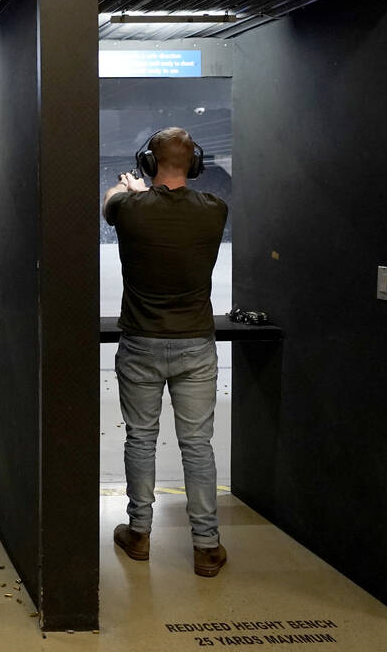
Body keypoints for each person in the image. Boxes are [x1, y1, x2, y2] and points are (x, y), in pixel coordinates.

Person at [102, 126, 229, 577]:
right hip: (196, 343)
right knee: (197, 445)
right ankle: (207, 545)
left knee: (141, 438)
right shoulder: (215, 210)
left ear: (148, 164)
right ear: (194, 164)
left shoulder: (129, 208)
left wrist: (130, 186)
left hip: (141, 342)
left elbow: (109, 203)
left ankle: (139, 532)